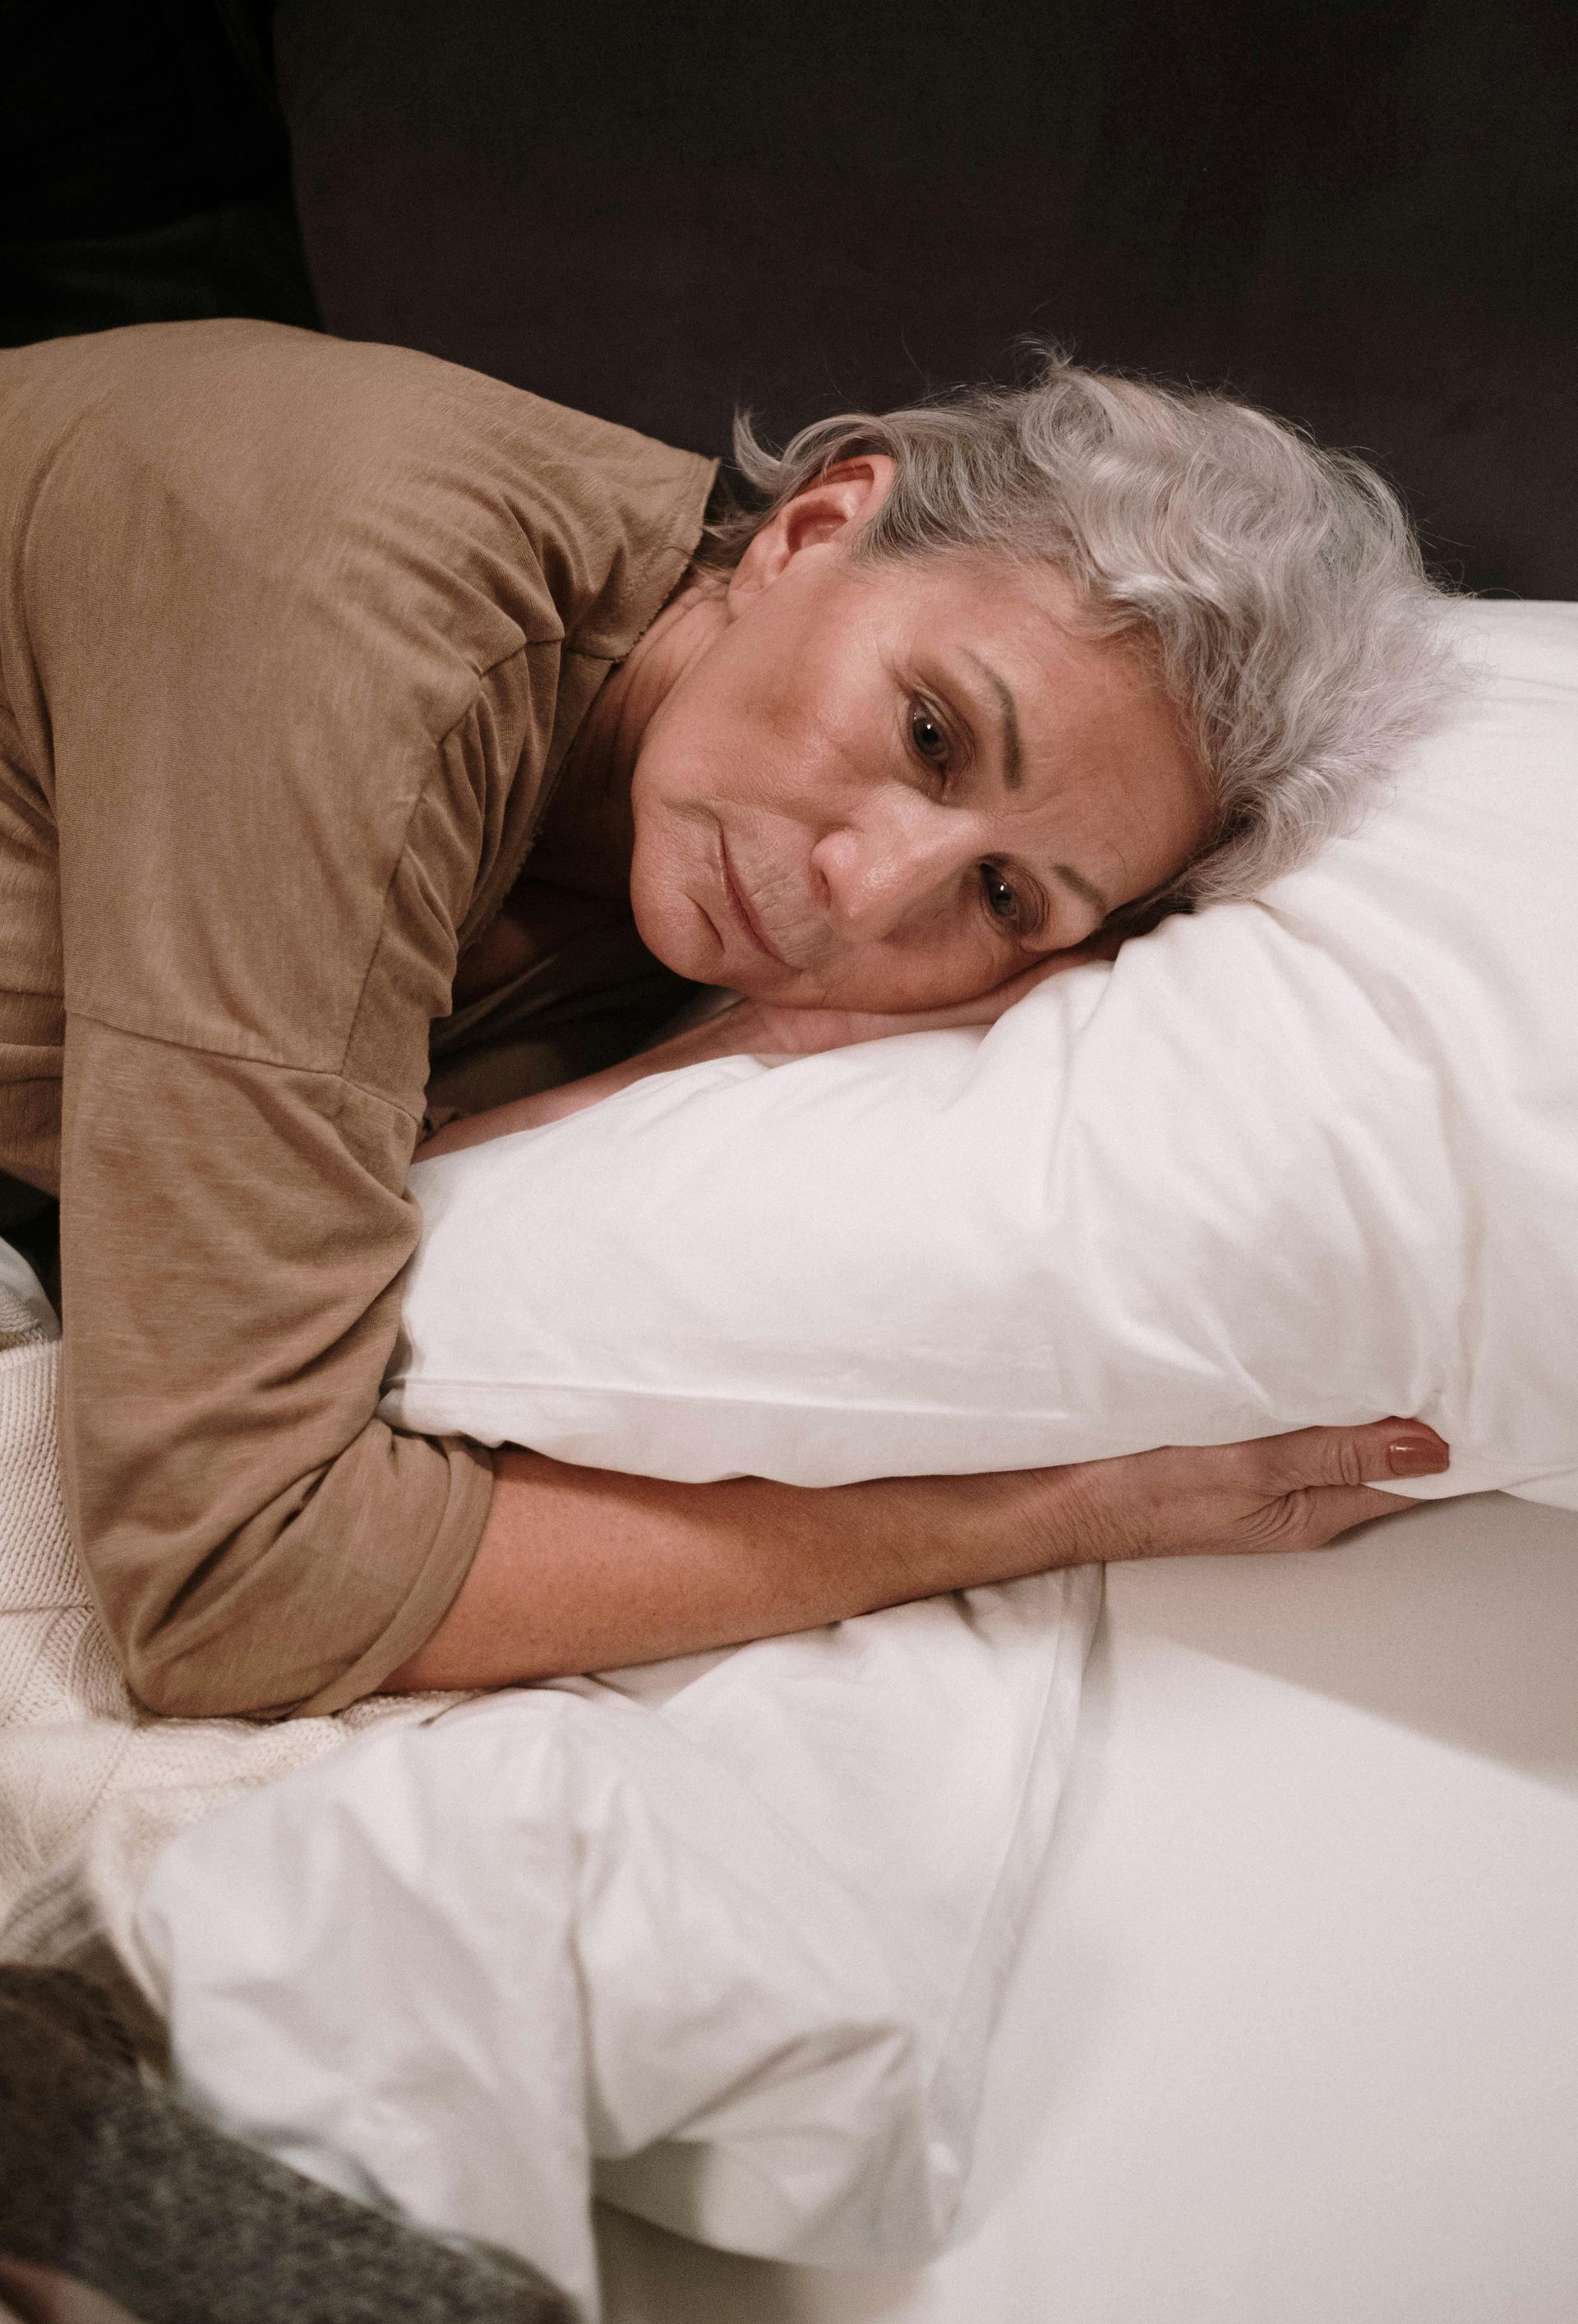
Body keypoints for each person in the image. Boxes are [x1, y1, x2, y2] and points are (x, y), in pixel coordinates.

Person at [0, 320, 1451, 1720]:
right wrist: (1055, 1510)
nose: (869, 894)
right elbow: (231, 1585)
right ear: (812, 532)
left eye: (1004, 894)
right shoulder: (366, 627)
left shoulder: (659, 840)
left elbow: (350, 1236)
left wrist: (749, 1049)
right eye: (932, 734)